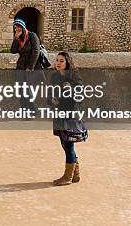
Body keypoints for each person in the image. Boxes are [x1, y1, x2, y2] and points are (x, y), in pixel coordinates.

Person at [48, 51, 88, 186]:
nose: (58, 63)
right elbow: (50, 93)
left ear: (67, 63)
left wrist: (69, 90)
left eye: (61, 61)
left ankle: (67, 176)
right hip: (59, 114)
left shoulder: (75, 77)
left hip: (71, 115)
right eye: (57, 60)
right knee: (64, 144)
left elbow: (80, 96)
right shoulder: (54, 77)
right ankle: (75, 174)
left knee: (69, 144)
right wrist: (51, 100)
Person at [10, 19, 43, 112]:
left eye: (19, 27)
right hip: (20, 67)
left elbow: (36, 52)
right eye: (15, 27)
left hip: (30, 67)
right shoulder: (18, 38)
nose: (17, 29)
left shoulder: (32, 36)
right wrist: (16, 38)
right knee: (20, 90)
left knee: (28, 90)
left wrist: (30, 67)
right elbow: (13, 51)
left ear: (23, 27)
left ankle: (31, 110)